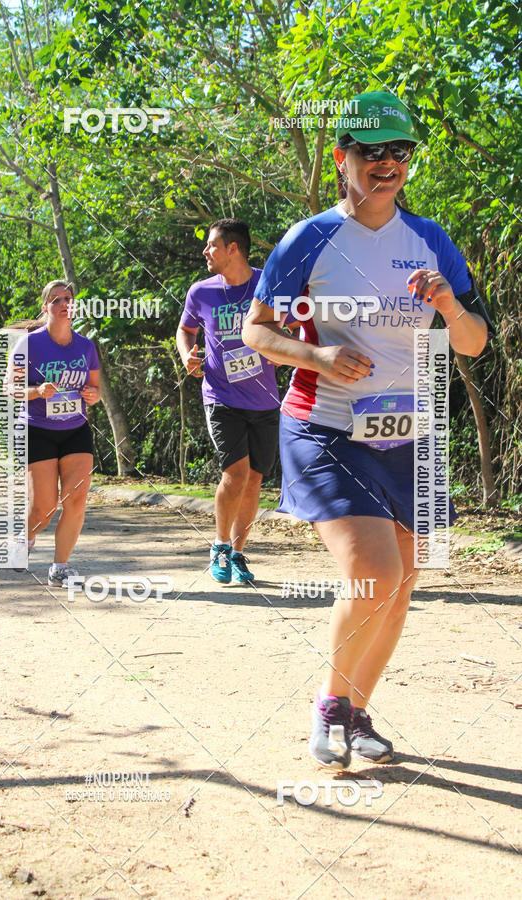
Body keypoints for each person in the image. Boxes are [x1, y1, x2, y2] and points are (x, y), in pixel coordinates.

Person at [242, 91, 493, 767]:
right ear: (341, 157)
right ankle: (328, 705)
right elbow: (256, 330)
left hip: (407, 435)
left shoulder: (430, 239)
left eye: (400, 152)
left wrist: (446, 303)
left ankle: (353, 713)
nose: (386, 164)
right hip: (325, 428)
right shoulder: (310, 238)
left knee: (401, 582)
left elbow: (473, 342)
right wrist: (316, 354)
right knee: (374, 573)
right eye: (371, 151)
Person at [176, 219, 285, 584]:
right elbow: (185, 328)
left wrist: (283, 349)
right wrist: (185, 354)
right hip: (220, 396)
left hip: (265, 399)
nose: (206, 251)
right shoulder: (201, 292)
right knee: (234, 474)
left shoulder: (266, 285)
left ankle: (238, 553)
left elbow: (294, 326)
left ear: (232, 249)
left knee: (254, 479)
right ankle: (219, 547)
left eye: (212, 246)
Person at [10, 280, 102, 587]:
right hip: (37, 430)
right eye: (57, 299)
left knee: (76, 500)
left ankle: (60, 567)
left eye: (69, 298)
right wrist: (37, 391)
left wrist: (92, 396)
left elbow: (95, 388)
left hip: (75, 429)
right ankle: (27, 536)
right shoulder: (30, 344)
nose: (65, 303)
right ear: (46, 307)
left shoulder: (86, 347)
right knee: (44, 508)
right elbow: (10, 388)